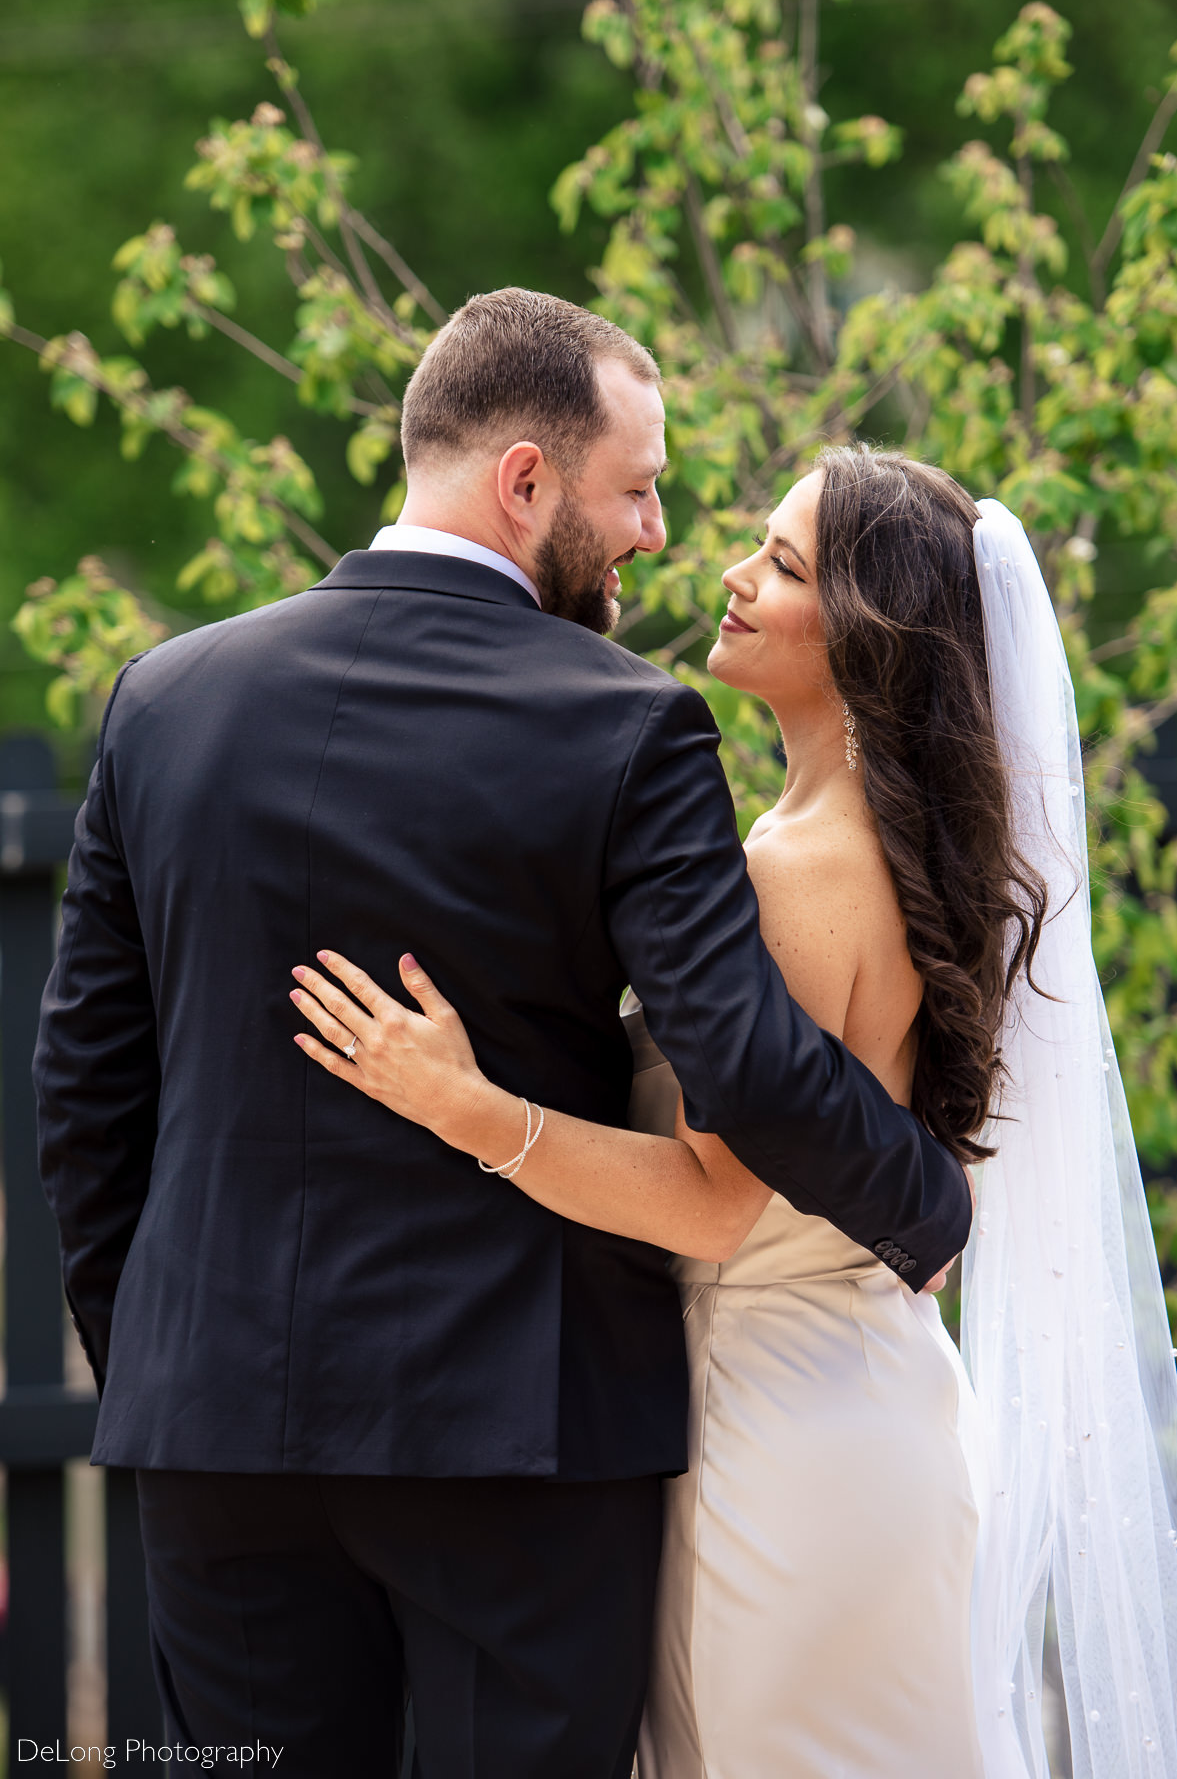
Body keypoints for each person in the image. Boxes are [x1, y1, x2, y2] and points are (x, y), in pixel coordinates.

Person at [34, 295, 971, 1779]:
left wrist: (167, 1357)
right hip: (521, 1439)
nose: (655, 532)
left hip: (215, 1433)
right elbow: (738, 1059)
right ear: (525, 480)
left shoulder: (164, 699)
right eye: (636, 488)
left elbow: (86, 1094)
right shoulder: (623, 723)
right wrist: (926, 1202)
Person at [292, 446, 1177, 1777]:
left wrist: (469, 1108)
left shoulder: (792, 876)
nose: (730, 575)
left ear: (868, 637)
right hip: (860, 1402)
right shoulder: (894, 854)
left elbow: (717, 1204)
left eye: (780, 565)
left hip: (775, 1437)